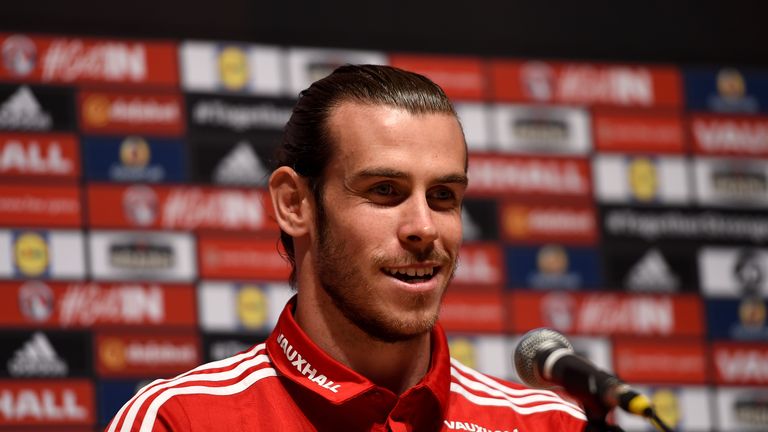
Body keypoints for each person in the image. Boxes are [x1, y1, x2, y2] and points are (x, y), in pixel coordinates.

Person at [106, 64, 586, 431]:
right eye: (383, 191)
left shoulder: (549, 424)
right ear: (295, 204)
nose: (423, 227)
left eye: (443, 197)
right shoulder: (182, 419)